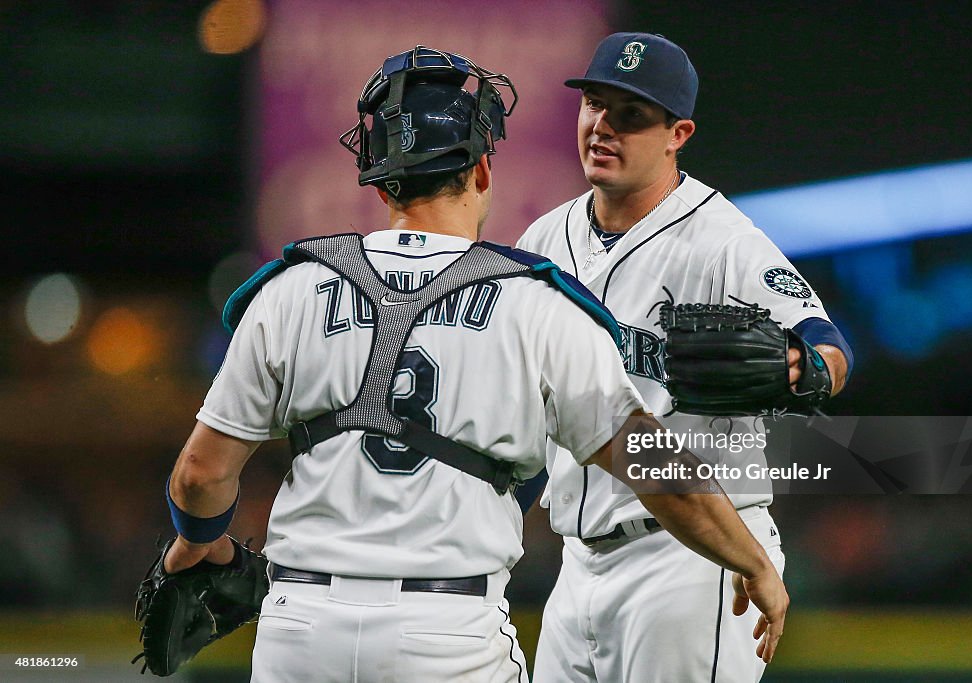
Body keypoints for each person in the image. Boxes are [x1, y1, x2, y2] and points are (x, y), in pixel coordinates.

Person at [159, 45, 788, 683]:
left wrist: (198, 541)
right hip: (444, 630)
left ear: (378, 175)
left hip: (299, 628)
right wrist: (752, 558)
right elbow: (656, 469)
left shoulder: (290, 287)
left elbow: (198, 476)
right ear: (482, 170)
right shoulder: (533, 298)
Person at [517, 32, 854, 683]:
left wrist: (802, 368)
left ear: (679, 133)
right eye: (594, 103)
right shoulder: (544, 239)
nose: (603, 126)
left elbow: (830, 349)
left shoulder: (723, 242)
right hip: (576, 564)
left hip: (692, 561)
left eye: (632, 115)